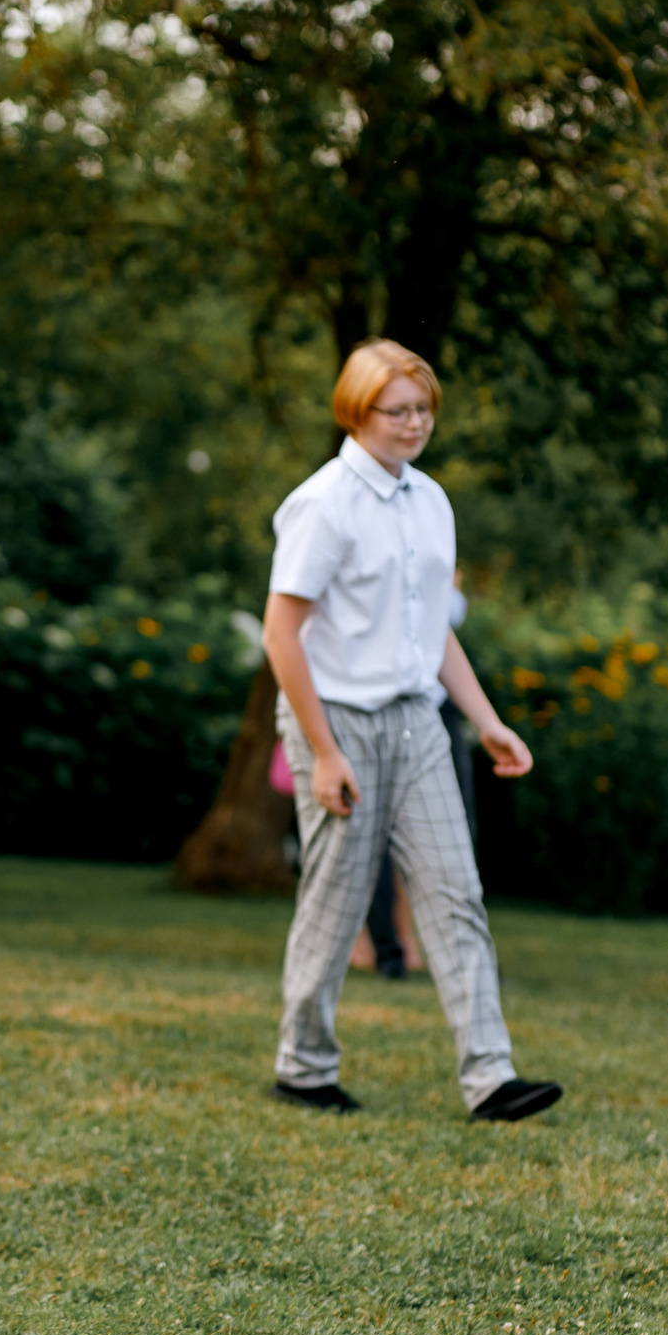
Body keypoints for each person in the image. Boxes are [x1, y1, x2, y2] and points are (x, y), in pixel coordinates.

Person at [262, 339, 562, 1120]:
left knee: (456, 891)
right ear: (359, 412)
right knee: (336, 895)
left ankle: (491, 1077)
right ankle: (303, 1066)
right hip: (337, 721)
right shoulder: (324, 502)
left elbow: (434, 633)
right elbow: (280, 635)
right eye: (398, 410)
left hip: (417, 721)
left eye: (424, 409)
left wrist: (487, 721)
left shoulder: (432, 501)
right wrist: (322, 752)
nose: (415, 423)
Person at [357, 567, 480, 979]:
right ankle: (386, 946)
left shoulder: (431, 531)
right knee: (374, 838)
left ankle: (452, 957)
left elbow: (444, 621)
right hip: (379, 708)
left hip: (437, 709)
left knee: (451, 832)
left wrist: (488, 723)